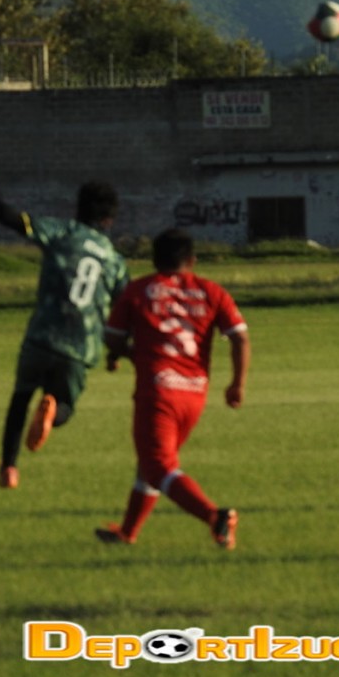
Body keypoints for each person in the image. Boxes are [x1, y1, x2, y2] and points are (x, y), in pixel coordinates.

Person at [0, 163, 128, 489]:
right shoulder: (114, 260)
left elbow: (10, 218)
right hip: (81, 347)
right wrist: (117, 352)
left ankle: (9, 468)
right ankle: (54, 413)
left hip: (42, 335)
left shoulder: (60, 232)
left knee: (20, 399)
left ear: (78, 208)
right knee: (65, 404)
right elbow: (125, 310)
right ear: (110, 219)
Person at [98, 228, 250, 550]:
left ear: (154, 261)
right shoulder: (212, 291)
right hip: (194, 394)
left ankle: (214, 516)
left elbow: (112, 336)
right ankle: (127, 533)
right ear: (192, 260)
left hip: (158, 392)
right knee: (152, 464)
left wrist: (128, 353)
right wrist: (237, 383)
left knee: (159, 467)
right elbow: (239, 336)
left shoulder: (140, 290)